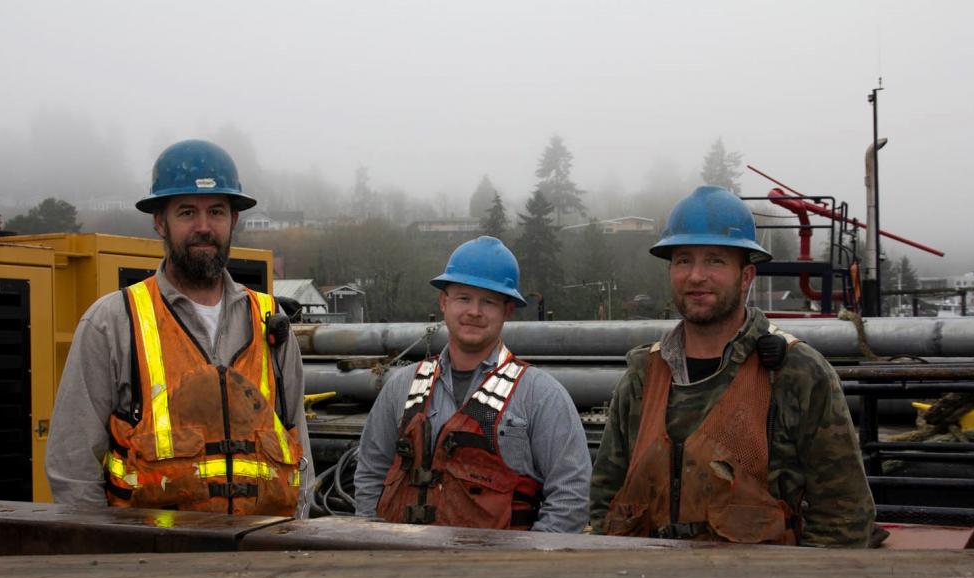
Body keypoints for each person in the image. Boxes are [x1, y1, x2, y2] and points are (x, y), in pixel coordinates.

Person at [590, 186, 874, 546]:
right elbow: (603, 500)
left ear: (746, 277)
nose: (695, 276)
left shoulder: (796, 374)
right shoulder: (643, 378)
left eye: (715, 260)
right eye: (683, 260)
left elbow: (844, 518)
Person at [45, 139, 314, 518]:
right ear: (160, 222)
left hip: (261, 557)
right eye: (187, 212)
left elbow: (298, 451)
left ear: (233, 220)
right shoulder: (113, 322)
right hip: (153, 563)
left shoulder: (272, 324)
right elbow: (72, 466)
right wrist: (104, 560)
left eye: (217, 212)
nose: (204, 227)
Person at [354, 236, 591, 531]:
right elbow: (370, 476)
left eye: (488, 301)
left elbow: (570, 497)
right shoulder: (401, 388)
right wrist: (372, 550)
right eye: (463, 298)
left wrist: (524, 566)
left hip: (497, 572)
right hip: (401, 568)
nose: (474, 312)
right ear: (444, 302)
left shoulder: (541, 395)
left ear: (507, 311)